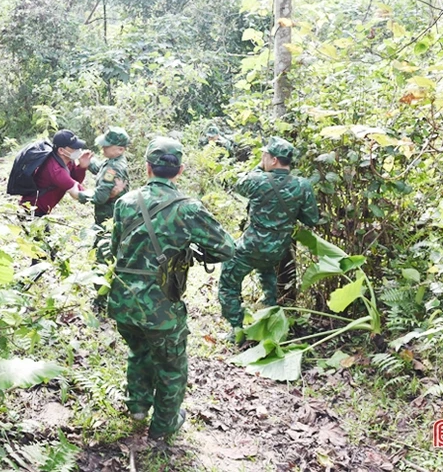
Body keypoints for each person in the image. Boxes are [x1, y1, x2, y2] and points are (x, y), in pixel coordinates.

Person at [108, 137, 235, 440]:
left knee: (138, 351)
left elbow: (115, 249)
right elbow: (227, 249)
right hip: (161, 305)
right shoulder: (188, 209)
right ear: (180, 170)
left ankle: (137, 406)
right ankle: (164, 426)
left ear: (147, 167)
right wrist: (192, 252)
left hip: (124, 299)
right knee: (171, 365)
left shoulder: (125, 202)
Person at [217, 136, 320, 340]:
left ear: (273, 160)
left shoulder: (257, 180)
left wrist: (259, 166)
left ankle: (236, 329)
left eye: (265, 155)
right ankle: (271, 312)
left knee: (228, 279)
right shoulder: (302, 185)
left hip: (252, 247)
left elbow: (239, 184)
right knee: (267, 272)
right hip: (279, 250)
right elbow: (311, 218)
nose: (262, 158)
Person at [76, 126, 131, 263]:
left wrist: (79, 194)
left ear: (120, 149)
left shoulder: (114, 168)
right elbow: (102, 170)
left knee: (103, 258)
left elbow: (100, 197)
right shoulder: (114, 162)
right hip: (110, 219)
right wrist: (89, 163)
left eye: (107, 146)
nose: (103, 148)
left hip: (109, 220)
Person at [19, 129, 93, 217]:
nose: (78, 150)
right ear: (61, 150)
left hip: (42, 210)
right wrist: (100, 195)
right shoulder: (56, 170)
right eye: (73, 148)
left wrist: (81, 167)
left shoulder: (67, 161)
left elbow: (74, 180)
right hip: (31, 211)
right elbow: (76, 193)